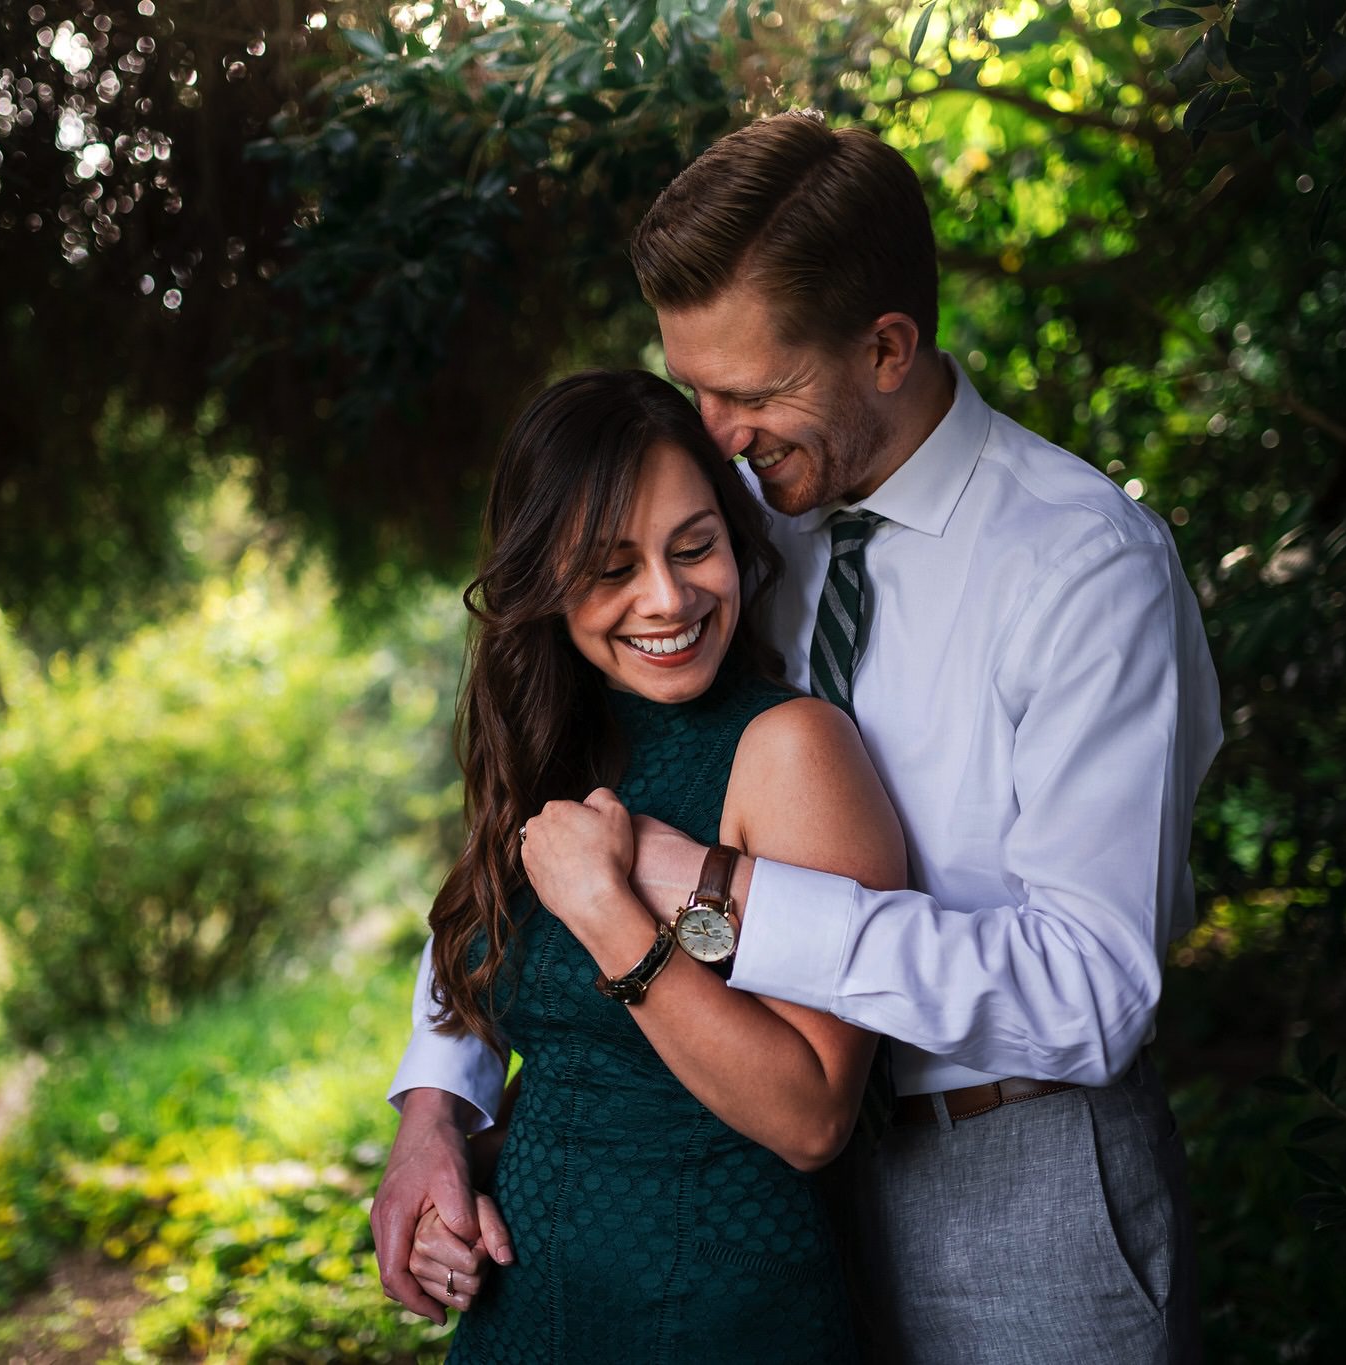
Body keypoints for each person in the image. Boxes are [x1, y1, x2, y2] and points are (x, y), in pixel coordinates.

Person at [378, 112, 1222, 1363]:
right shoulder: (729, 540)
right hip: (746, 1198)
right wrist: (435, 1098)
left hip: (1006, 1182)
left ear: (885, 348)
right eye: (694, 387)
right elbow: (554, 805)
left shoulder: (1082, 567)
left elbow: (1088, 989)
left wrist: (706, 890)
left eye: (749, 391)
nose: (714, 431)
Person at [405, 368, 907, 1362]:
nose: (666, 599)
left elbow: (811, 1115)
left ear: (734, 536)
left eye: (693, 547)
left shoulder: (790, 748)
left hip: (717, 1312)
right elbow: (550, 1055)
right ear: (541, 580)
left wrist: (610, 914)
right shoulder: (552, 746)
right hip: (522, 1315)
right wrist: (441, 1156)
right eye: (608, 569)